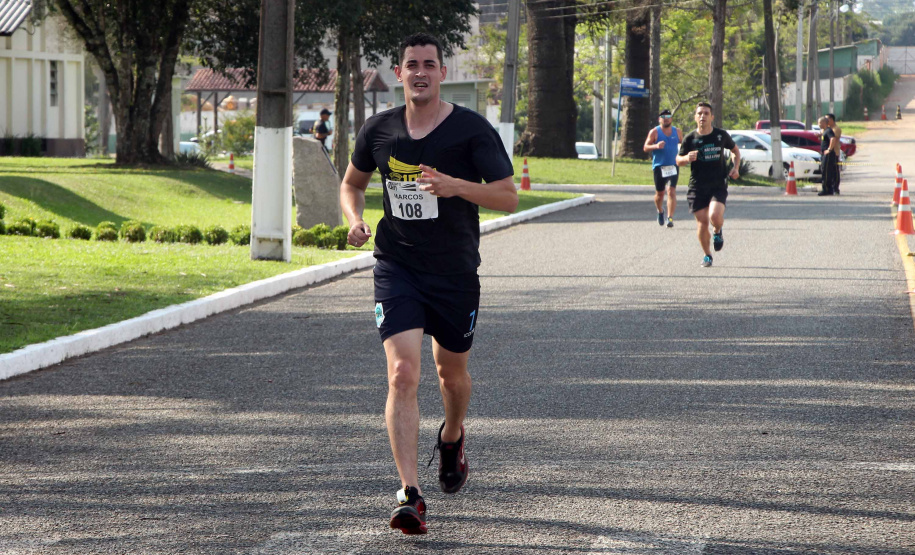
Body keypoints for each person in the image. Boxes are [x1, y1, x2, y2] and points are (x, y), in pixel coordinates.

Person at [339, 33, 518, 535]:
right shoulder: (379, 130)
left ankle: (453, 435)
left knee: (451, 376)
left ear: (442, 73)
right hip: (397, 267)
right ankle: (409, 495)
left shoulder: (471, 131)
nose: (420, 72)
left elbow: (507, 197)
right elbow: (352, 183)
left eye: (429, 65)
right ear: (399, 73)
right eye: (411, 65)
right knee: (402, 374)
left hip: (455, 273)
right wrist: (354, 219)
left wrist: (454, 186)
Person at [676, 102, 740, 268]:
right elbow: (678, 160)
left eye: (706, 113)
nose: (702, 116)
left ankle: (718, 231)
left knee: (714, 216)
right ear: (695, 117)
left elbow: (735, 151)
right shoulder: (690, 138)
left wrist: (736, 167)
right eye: (700, 113)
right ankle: (707, 255)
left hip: (717, 184)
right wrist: (686, 158)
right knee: (702, 222)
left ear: (712, 117)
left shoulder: (720, 135)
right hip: (697, 186)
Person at [643, 108, 682, 227]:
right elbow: (645, 147)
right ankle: (660, 210)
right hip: (659, 166)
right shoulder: (654, 132)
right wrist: (655, 146)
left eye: (668, 117)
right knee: (660, 194)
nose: (666, 120)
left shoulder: (677, 131)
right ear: (659, 119)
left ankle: (670, 218)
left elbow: (683, 144)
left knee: (671, 191)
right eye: (663, 118)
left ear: (671, 119)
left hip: (673, 165)